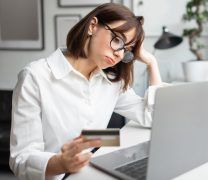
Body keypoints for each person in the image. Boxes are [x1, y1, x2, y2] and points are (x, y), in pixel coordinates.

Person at [9, 3, 169, 180]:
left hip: (94, 171)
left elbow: (153, 117)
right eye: (117, 40)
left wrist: (151, 63)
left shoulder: (111, 81)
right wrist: (61, 163)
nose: (120, 55)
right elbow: (21, 159)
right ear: (92, 26)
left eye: (127, 50)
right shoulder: (35, 76)